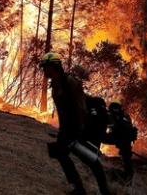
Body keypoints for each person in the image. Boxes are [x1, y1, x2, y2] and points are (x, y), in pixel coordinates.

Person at [41, 53, 112, 195]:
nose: (44, 70)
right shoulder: (55, 85)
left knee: (90, 160)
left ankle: (105, 192)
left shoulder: (69, 81)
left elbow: (80, 105)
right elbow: (62, 110)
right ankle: (78, 189)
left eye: (46, 67)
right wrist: (63, 130)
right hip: (67, 128)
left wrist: (80, 129)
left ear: (53, 66)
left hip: (79, 127)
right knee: (60, 152)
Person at [103, 99, 137, 182]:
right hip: (126, 140)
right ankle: (129, 176)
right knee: (127, 159)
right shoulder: (126, 115)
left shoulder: (108, 114)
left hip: (115, 138)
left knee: (99, 137)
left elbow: (103, 127)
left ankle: (95, 153)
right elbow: (130, 127)